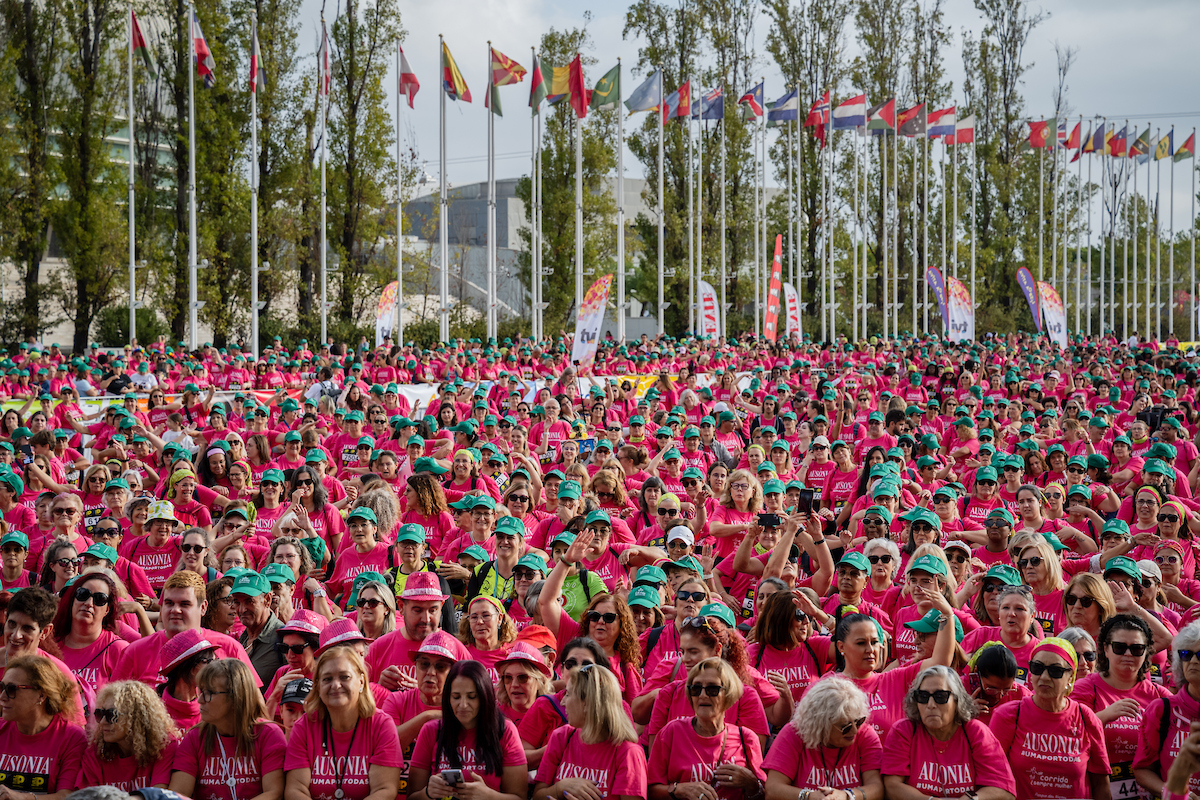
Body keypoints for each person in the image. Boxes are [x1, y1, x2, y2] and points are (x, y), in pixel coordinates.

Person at [989, 638, 1112, 800]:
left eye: (1055, 670)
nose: (1045, 677)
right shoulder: (1007, 715)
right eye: (1037, 668)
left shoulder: (1086, 717)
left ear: (1071, 677)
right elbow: (991, 777)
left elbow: (1101, 784)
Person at [283, 646, 403, 800]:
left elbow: (385, 790)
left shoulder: (381, 725)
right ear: (318, 686)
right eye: (327, 679)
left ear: (361, 682)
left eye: (344, 677)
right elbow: (295, 790)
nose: (335, 685)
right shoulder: (304, 726)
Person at [880, 665, 1016, 800]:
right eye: (923, 696)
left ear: (957, 700)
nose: (931, 705)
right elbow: (892, 787)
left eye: (940, 696)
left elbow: (1004, 790)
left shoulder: (976, 732)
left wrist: (970, 799)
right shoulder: (904, 731)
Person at [647, 657, 765, 800]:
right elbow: (650, 791)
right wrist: (678, 790)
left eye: (712, 689)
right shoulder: (671, 732)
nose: (702, 695)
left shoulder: (746, 738)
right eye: (696, 689)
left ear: (729, 694)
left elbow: (764, 794)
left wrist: (751, 784)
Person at [408, 660, 528, 800]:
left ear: (485, 697)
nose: (463, 705)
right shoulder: (431, 730)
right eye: (456, 697)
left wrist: (489, 796)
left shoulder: (505, 730)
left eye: (472, 697)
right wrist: (428, 793)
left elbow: (520, 797)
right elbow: (412, 797)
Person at [169, 658, 287, 800]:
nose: (200, 700)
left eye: (208, 693)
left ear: (235, 697)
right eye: (201, 691)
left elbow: (274, 793)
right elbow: (177, 796)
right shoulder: (195, 737)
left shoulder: (268, 734)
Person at [533, 663, 647, 800]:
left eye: (568, 694)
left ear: (587, 703)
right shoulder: (561, 736)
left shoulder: (629, 753)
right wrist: (560, 788)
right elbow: (537, 795)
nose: (562, 702)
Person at [379, 631, 471, 798]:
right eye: (424, 664)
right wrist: (427, 717)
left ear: (453, 673)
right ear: (415, 667)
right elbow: (386, 745)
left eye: (440, 667)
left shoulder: (463, 707)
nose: (430, 672)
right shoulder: (397, 700)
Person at [763, 677, 883, 800]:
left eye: (858, 721)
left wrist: (847, 796)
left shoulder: (865, 734)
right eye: (845, 727)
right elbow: (772, 789)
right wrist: (809, 796)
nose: (854, 731)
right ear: (821, 725)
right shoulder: (794, 733)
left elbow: (877, 788)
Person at [0, 655, 87, 800]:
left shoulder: (72, 737)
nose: (2, 696)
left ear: (41, 695)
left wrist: (22, 798)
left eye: (11, 689)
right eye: (1, 687)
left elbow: (68, 796)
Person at [1134, 621, 1200, 798]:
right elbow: (1142, 770)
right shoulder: (1161, 709)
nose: (1193, 661)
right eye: (1186, 654)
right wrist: (1172, 793)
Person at [81, 680, 179, 791]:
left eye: (111, 715)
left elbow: (158, 795)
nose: (103, 722)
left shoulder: (163, 745)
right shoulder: (96, 750)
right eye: (100, 714)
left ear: (136, 718)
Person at [52, 571, 130, 699]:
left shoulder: (119, 650)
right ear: (72, 600)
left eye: (100, 599)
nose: (89, 603)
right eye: (83, 594)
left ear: (107, 609)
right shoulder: (51, 645)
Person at [231, 571, 285, 686]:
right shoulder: (241, 639)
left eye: (249, 601)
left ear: (267, 599)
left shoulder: (283, 638)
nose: (242, 610)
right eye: (237, 602)